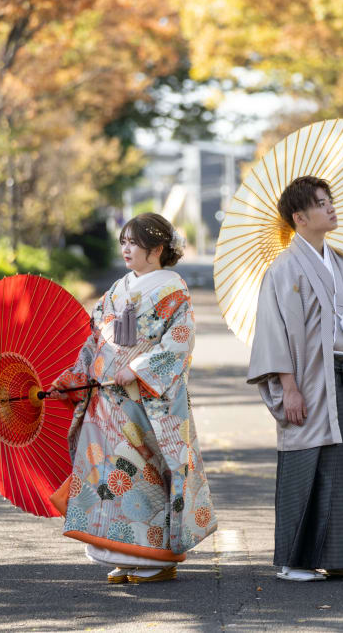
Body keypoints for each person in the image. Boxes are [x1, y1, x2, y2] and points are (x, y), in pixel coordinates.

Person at [46, 213, 216, 584]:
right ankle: (122, 554)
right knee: (108, 476)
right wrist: (75, 378)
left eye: (132, 243)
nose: (124, 248)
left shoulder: (174, 291)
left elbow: (179, 342)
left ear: (157, 249)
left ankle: (155, 557)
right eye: (122, 241)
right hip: (107, 400)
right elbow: (95, 339)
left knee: (143, 476)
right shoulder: (118, 288)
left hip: (146, 401)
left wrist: (138, 369)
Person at [247, 175, 343, 582]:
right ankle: (294, 560)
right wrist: (289, 388)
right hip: (312, 381)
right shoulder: (283, 269)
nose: (331, 207)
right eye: (321, 202)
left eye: (330, 200)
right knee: (307, 461)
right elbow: (273, 332)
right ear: (299, 218)